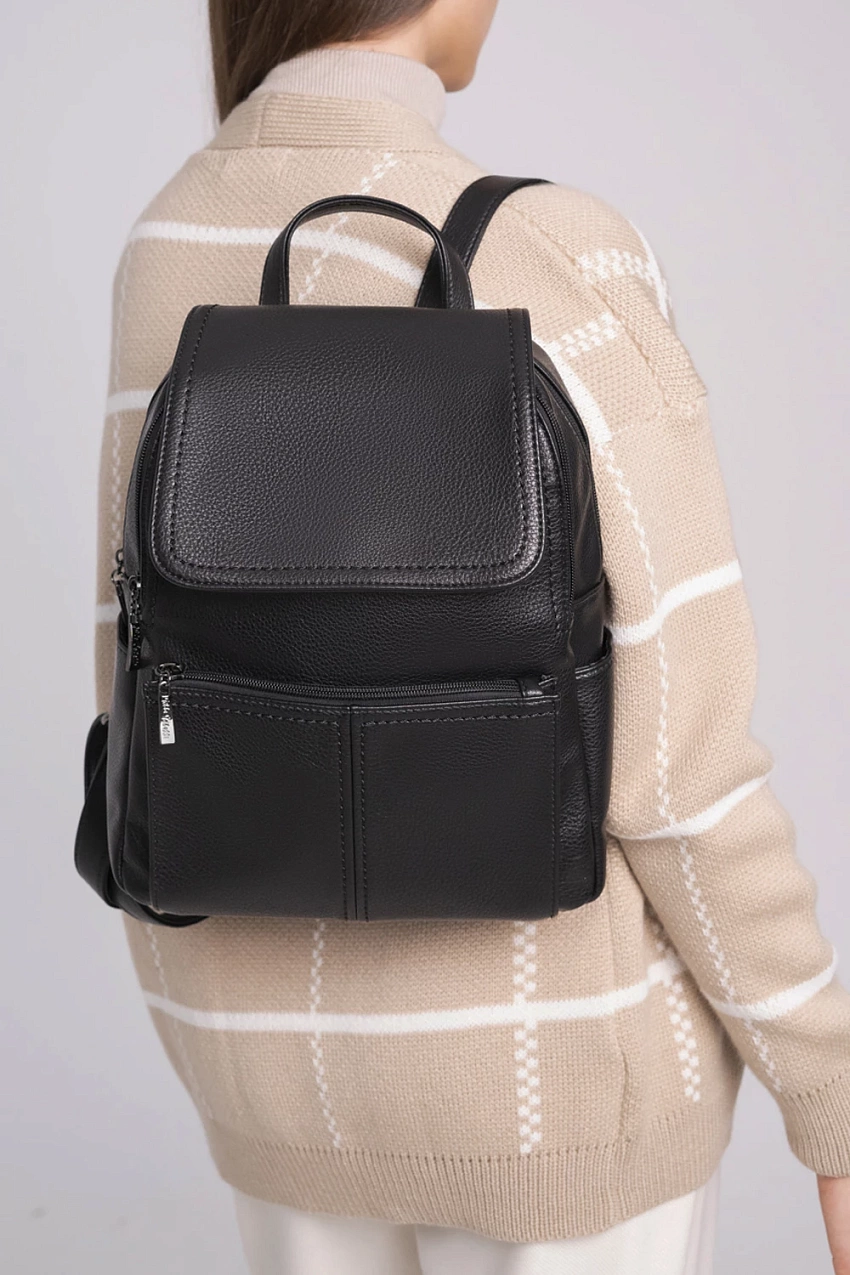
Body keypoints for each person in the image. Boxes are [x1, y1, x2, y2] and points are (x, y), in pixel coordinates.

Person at [95, 1, 850, 1270]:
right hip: (560, 1090)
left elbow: (134, 684)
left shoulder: (166, 239)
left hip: (261, 1091)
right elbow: (683, 775)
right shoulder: (558, 250)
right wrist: (829, 1088)